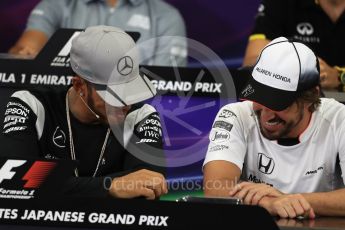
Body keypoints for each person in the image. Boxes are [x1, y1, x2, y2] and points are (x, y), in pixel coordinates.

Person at [0, 25, 167, 199]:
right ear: (79, 85)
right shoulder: (31, 105)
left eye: (130, 89)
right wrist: (109, 186)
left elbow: (149, 186)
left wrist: (59, 184)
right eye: (114, 94)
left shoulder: (141, 116)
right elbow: (13, 181)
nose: (126, 103)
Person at [203, 37, 345, 218]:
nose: (265, 113)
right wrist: (269, 203)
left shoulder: (339, 119)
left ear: (311, 96)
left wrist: (288, 199)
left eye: (277, 102)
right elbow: (215, 189)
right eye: (259, 97)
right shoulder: (235, 115)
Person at [8, 0, 187, 66]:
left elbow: (168, 83)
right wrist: (23, 54)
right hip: (63, 109)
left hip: (132, 116)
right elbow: (26, 50)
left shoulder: (166, 16)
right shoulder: (56, 5)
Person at [242, 0, 345, 91]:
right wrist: (299, 68)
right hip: (300, 102)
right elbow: (251, 62)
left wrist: (340, 77)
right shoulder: (281, 3)